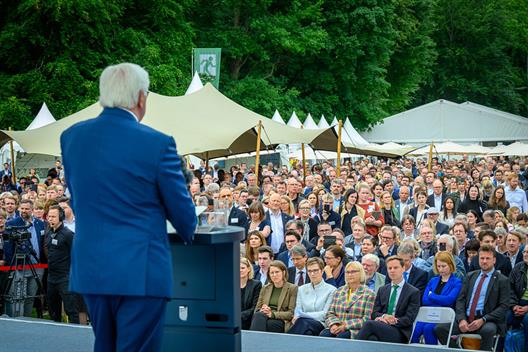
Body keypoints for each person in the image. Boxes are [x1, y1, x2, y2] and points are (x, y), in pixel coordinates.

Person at [60, 63, 196, 351]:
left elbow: (79, 195)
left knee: (104, 345)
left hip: (92, 267)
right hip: (140, 270)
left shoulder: (71, 137)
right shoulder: (158, 143)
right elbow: (184, 217)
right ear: (141, 98)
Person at [435, 245, 510, 351]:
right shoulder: (470, 276)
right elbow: (460, 300)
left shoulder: (502, 280)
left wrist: (483, 320)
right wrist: (461, 319)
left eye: (487, 258)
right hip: (466, 319)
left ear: (494, 260)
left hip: (487, 321)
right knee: (440, 329)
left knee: (487, 331)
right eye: (481, 258)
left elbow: (503, 307)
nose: (484, 261)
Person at [356, 256, 421, 343]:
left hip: (400, 331)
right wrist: (383, 317)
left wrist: (392, 321)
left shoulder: (413, 292)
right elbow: (374, 313)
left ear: (403, 268)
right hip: (381, 326)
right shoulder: (382, 290)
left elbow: (409, 319)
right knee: (372, 339)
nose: (392, 270)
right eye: (389, 268)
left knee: (369, 324)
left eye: (395, 267)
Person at [3, 199, 46, 317]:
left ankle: (26, 319)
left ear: (32, 210)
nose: (24, 211)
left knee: (30, 296)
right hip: (20, 266)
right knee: (18, 296)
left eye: (27, 209)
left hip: (38, 266)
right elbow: (8, 247)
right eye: (22, 208)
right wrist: (12, 264)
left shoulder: (41, 224)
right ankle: (17, 320)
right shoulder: (12, 224)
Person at [410, 252, 462, 345]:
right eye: (438, 266)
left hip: (444, 317)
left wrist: (432, 296)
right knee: (416, 329)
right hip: (429, 315)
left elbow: (449, 300)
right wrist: (440, 299)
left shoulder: (457, 282)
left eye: (443, 266)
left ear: (450, 265)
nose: (440, 269)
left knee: (428, 328)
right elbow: (424, 300)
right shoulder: (433, 280)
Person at [320, 261, 376, 338]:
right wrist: (333, 324)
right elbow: (330, 313)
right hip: (336, 327)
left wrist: (345, 325)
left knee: (342, 337)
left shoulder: (369, 294)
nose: (349, 274)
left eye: (353, 272)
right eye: (347, 272)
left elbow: (367, 319)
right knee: (324, 334)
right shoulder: (339, 291)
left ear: (361, 273)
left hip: (354, 329)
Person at [44, 205, 79, 323]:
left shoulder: (68, 234)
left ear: (61, 217)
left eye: (54, 216)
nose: (51, 219)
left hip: (65, 278)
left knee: (71, 310)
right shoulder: (48, 232)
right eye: (49, 216)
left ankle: (76, 335)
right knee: (53, 310)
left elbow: (76, 255)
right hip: (51, 277)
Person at [288, 257, 336, 335]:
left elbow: (325, 314)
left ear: (322, 271)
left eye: (315, 270)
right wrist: (296, 316)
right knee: (308, 333)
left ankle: (286, 342)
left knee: (302, 322)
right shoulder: (301, 289)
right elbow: (298, 309)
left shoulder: (331, 290)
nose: (312, 274)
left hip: (321, 323)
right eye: (309, 271)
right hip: (304, 324)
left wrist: (304, 315)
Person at [250, 260, 298, 333]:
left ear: (283, 272)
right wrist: (263, 309)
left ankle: (254, 342)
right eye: (272, 273)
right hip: (263, 317)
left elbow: (291, 313)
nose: (274, 275)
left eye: (277, 272)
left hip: (280, 319)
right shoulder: (265, 288)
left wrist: (272, 314)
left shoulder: (292, 288)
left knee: (268, 323)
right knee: (258, 315)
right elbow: (257, 309)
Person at [508, 246, 528, 352]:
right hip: (517, 303)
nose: (525, 254)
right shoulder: (518, 267)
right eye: (524, 252)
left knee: (527, 319)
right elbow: (510, 289)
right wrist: (514, 305)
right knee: (505, 317)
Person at [240, 257, 262, 330]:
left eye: (242, 268)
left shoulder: (256, 284)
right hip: (233, 320)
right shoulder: (231, 285)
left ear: (248, 269)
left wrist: (239, 315)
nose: (240, 270)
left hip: (248, 319)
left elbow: (255, 307)